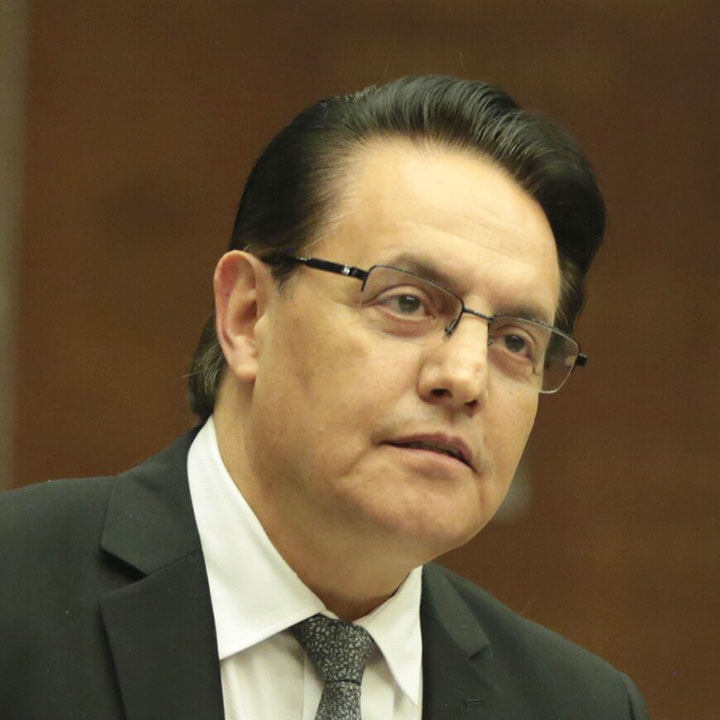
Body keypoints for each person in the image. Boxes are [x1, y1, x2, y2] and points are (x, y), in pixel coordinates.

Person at [1, 75, 650, 719]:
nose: (465, 377)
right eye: (407, 302)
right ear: (249, 316)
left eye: (514, 341)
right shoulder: (18, 591)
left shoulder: (580, 706)